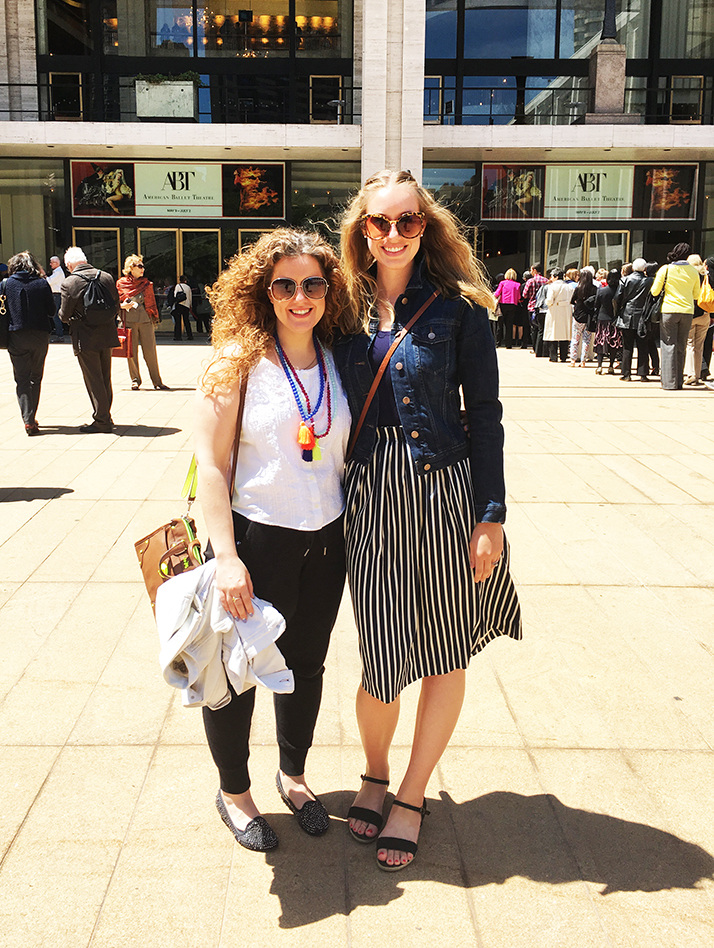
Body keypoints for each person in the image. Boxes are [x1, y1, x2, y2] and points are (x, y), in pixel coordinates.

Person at [336, 169, 521, 872]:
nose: (392, 234)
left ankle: (411, 793)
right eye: (379, 222)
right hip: (369, 494)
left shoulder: (461, 310)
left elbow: (488, 418)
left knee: (444, 646)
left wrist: (492, 516)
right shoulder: (336, 308)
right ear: (361, 229)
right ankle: (376, 770)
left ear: (426, 226)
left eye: (407, 221)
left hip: (445, 490)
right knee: (382, 658)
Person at [194, 229, 358, 852]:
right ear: (264, 290)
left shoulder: (340, 356)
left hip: (327, 540)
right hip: (256, 541)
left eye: (312, 284)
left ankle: (294, 776)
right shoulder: (235, 360)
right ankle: (235, 792)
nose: (299, 296)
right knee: (234, 674)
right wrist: (228, 557)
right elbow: (210, 465)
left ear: (328, 290)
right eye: (285, 284)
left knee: (304, 667)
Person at [59, 246, 120, 432]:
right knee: (105, 376)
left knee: (93, 378)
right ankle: (105, 415)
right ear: (84, 259)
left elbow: (64, 315)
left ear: (69, 265)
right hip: (107, 333)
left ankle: (102, 420)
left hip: (84, 337)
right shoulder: (106, 277)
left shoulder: (70, 283)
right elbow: (116, 304)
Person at [2, 251, 55, 435]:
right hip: (40, 335)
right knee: (36, 377)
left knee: (22, 379)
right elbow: (52, 310)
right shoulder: (41, 283)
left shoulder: (6, 284)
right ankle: (31, 417)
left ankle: (28, 419)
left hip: (16, 335)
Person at [650, 242, 700, 391]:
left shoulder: (665, 269)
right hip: (687, 311)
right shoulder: (693, 271)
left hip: (669, 310)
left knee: (668, 345)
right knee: (681, 346)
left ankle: (668, 382)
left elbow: (654, 291)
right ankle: (679, 381)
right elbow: (697, 294)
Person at [116, 254, 169, 391]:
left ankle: (157, 381)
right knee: (131, 352)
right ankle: (135, 380)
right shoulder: (121, 284)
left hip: (145, 321)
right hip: (129, 321)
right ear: (131, 268)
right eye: (139, 266)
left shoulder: (147, 284)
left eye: (143, 266)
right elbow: (115, 302)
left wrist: (153, 317)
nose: (142, 269)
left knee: (150, 351)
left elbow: (151, 304)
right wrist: (122, 306)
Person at [614, 257, 652, 381]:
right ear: (645, 269)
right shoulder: (649, 281)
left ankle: (626, 373)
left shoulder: (625, 280)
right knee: (643, 346)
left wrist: (617, 312)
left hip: (627, 315)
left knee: (627, 346)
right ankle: (643, 373)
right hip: (643, 315)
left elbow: (617, 298)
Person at [683, 254, 709, 387]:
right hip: (705, 313)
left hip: (692, 313)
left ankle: (690, 374)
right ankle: (698, 375)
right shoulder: (707, 276)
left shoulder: (690, 275)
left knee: (690, 344)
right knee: (699, 346)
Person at [593, 269, 622, 375]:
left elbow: (596, 305)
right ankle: (611, 365)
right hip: (615, 320)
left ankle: (599, 366)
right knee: (613, 343)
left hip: (602, 319)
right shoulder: (620, 291)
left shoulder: (602, 291)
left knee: (601, 342)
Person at [544, 267, 573, 362]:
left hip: (554, 311)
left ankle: (553, 357)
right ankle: (564, 356)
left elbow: (549, 300)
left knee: (553, 334)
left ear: (556, 277)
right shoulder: (569, 287)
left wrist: (547, 303)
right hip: (566, 311)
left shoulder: (552, 286)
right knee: (564, 334)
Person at [569, 267, 597, 367]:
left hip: (578, 316)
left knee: (575, 338)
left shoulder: (578, 288)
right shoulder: (594, 289)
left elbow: (572, 301)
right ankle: (583, 361)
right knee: (587, 339)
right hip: (589, 316)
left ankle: (573, 359)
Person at [522, 263, 548, 354]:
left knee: (533, 329)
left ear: (534, 270)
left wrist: (531, 296)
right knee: (542, 328)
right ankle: (542, 348)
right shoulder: (546, 280)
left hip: (532, 306)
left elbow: (524, 295)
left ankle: (535, 348)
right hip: (543, 307)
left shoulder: (530, 281)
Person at [493, 268, 521, 349]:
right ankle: (508, 344)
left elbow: (497, 293)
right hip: (513, 305)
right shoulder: (517, 284)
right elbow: (519, 297)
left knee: (500, 324)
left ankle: (497, 343)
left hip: (503, 304)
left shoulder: (502, 283)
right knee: (509, 325)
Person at [46, 255, 66, 341]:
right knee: (55, 315)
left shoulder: (58, 272)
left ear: (56, 263)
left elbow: (49, 281)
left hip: (56, 295)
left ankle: (60, 335)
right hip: (55, 294)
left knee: (55, 315)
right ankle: (58, 332)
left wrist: (43, 274)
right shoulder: (57, 271)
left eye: (51, 262)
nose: (50, 264)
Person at [172, 275, 194, 340]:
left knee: (178, 321)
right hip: (186, 305)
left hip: (179, 305)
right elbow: (190, 297)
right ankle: (189, 335)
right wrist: (190, 305)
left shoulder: (178, 286)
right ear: (185, 281)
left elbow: (175, 295)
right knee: (186, 321)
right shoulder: (188, 287)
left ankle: (178, 336)